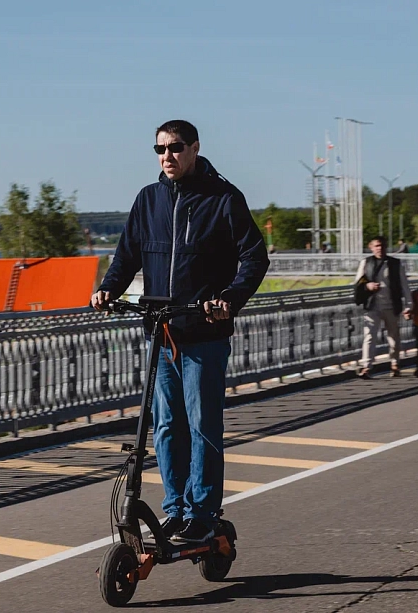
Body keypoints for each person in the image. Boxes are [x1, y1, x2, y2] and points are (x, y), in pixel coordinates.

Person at [91, 120, 269, 543]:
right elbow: (127, 254)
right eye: (159, 149)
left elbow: (254, 258)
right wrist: (107, 288)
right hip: (160, 333)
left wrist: (229, 299)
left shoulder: (223, 199)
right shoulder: (148, 200)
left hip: (204, 333)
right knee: (167, 426)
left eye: (175, 148)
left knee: (203, 424)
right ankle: (176, 509)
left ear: (195, 148)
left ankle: (203, 513)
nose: (166, 156)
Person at [354, 236, 413, 379]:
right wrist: (368, 286)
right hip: (372, 305)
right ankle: (366, 367)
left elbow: (404, 285)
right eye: (377, 246)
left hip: (391, 305)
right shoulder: (366, 263)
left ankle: (394, 363)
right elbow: (357, 283)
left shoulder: (395, 264)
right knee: (369, 336)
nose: (380, 248)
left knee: (393, 337)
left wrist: (409, 305)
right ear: (371, 247)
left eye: (382, 246)